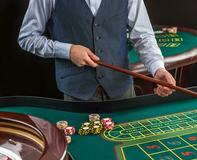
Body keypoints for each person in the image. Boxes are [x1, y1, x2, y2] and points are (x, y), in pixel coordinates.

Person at [18, 0, 176, 101]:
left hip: (122, 90)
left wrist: (157, 68)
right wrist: (67, 50)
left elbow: (143, 36)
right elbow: (27, 37)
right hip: (77, 93)